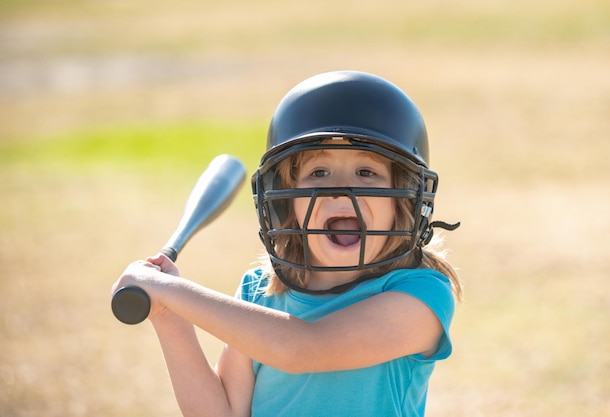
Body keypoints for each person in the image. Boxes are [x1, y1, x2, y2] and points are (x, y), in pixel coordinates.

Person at [112, 70, 462, 417]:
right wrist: (168, 312)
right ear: (285, 201)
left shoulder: (421, 294)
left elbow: (304, 348)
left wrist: (171, 289)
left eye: (366, 172)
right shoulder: (260, 292)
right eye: (318, 173)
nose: (339, 188)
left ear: (405, 199)